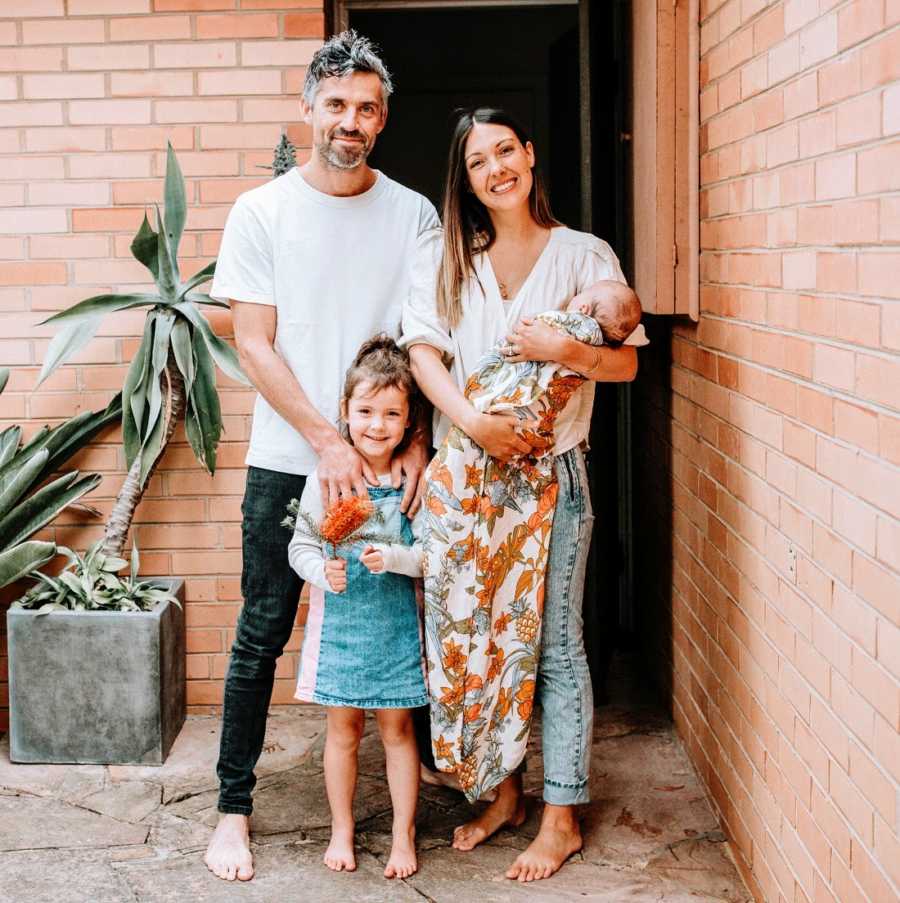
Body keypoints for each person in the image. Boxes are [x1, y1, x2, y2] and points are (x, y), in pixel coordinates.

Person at [203, 31, 439, 882]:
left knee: (410, 616)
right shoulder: (260, 212)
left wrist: (412, 438)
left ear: (382, 118)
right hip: (291, 453)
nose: (351, 119)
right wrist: (325, 439)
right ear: (308, 108)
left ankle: (431, 790)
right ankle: (234, 809)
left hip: (384, 456)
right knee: (262, 630)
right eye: (336, 104)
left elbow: (424, 338)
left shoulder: (413, 212)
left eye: (367, 107)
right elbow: (256, 344)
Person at [402, 107, 647, 883]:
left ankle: (563, 813)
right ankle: (503, 790)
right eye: (479, 162)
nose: (497, 168)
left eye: (506, 150)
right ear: (466, 180)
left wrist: (567, 349)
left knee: (554, 646)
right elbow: (421, 352)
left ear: (531, 155)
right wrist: (473, 420)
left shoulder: (583, 254)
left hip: (552, 475)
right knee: (473, 640)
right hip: (467, 477)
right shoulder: (447, 255)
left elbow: (627, 365)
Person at [288, 336, 428, 879]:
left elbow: (432, 556)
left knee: (398, 733)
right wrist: (324, 570)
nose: (377, 424)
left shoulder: (414, 482)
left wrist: (394, 557)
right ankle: (341, 829)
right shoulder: (325, 481)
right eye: (366, 411)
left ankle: (402, 836)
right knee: (342, 733)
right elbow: (300, 545)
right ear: (345, 415)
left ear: (409, 420)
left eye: (392, 413)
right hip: (340, 629)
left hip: (397, 631)